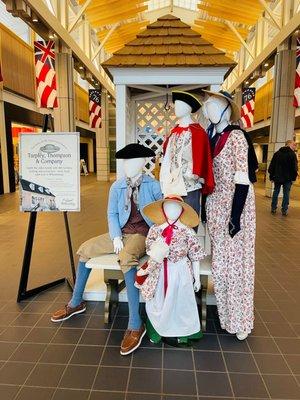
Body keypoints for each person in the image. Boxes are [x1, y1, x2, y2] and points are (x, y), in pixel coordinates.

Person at [51, 143, 162, 356]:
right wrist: (116, 236)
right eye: (125, 162)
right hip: (121, 233)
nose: (128, 166)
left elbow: (161, 213)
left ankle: (135, 323)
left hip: (142, 234)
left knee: (127, 257)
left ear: (142, 163)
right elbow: (111, 214)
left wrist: (155, 236)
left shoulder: (153, 186)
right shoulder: (117, 186)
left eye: (133, 162)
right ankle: (76, 302)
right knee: (85, 249)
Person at [268, 140, 298, 216]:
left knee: (276, 192)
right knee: (286, 194)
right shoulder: (292, 154)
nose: (295, 146)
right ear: (289, 145)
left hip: (277, 177)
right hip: (288, 178)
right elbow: (294, 168)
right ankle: (284, 210)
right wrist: (294, 178)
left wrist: (271, 176)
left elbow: (272, 166)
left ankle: (273, 207)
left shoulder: (277, 154)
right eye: (294, 145)